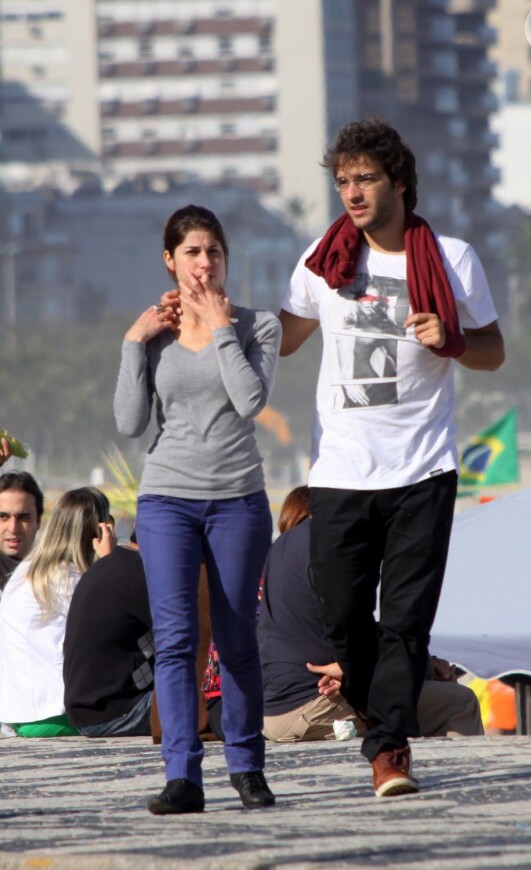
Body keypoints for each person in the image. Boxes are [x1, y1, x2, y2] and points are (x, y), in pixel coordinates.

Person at [279, 118, 504, 797]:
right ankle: (384, 724)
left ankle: (389, 749)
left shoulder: (453, 258)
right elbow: (285, 338)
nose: (352, 191)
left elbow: (494, 350)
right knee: (345, 615)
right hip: (342, 472)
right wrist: (215, 315)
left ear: (399, 182)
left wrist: (453, 340)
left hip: (423, 469)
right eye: (343, 180)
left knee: (406, 621)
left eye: (366, 178)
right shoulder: (323, 260)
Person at [114, 204, 281, 815]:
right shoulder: (155, 334)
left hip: (238, 498)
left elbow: (249, 401)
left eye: (213, 251)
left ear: (226, 258)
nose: (204, 263)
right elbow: (130, 423)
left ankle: (247, 765)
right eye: (191, 252)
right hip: (165, 500)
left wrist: (219, 329)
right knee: (178, 640)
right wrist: (135, 341)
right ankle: (182, 775)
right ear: (170, 259)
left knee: (238, 637)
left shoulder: (258, 325)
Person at [258, 486, 483, 743]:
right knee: (457, 701)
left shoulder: (282, 545)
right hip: (311, 705)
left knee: (421, 689)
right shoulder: (331, 544)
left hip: (274, 706)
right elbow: (349, 628)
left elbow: (348, 633)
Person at [0, 487, 115, 737]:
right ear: (98, 530)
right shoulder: (69, 578)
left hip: (19, 715)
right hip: (57, 715)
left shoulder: (29, 570)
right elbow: (113, 626)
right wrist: (111, 562)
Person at [63, 536, 155, 738]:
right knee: (213, 700)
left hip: (87, 709)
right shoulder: (144, 573)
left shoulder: (110, 564)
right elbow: (189, 637)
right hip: (114, 710)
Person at [0, 471, 44, 595]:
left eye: (23, 517)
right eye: (3, 516)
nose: (13, 528)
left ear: (38, 521)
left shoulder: (53, 577)